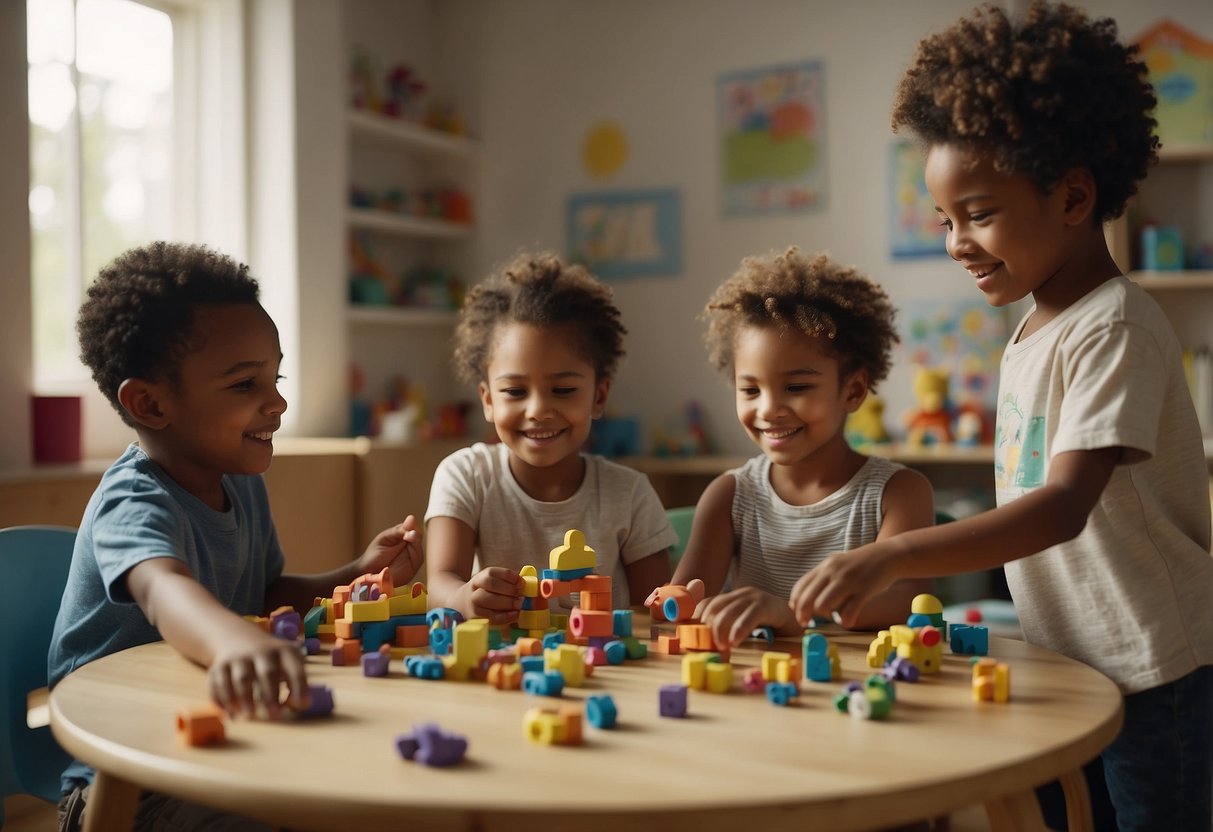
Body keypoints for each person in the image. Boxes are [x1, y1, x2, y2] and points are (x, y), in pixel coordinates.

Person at [789, 4, 1213, 829]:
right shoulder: (1032, 327)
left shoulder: (1112, 324)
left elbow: (1061, 505)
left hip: (1154, 664)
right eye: (944, 220)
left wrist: (892, 555)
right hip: (1075, 658)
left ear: (1073, 196)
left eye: (977, 214)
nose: (955, 242)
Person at [49, 241, 424, 831]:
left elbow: (267, 591)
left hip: (220, 744)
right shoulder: (132, 501)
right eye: (245, 385)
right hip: (124, 783)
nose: (276, 403)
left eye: (274, 378)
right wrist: (230, 643)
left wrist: (353, 574)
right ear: (150, 403)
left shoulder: (239, 480)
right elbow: (165, 591)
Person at [672, 247, 935, 647]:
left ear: (853, 390)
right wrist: (680, 602)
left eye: (796, 387)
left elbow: (909, 602)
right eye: (750, 389)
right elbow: (685, 604)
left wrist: (792, 614)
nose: (769, 409)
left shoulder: (900, 493)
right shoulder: (728, 495)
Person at [425, 251, 676, 622]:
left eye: (562, 390)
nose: (538, 410)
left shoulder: (630, 495)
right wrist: (463, 598)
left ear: (599, 396)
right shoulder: (465, 476)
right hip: (500, 670)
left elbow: (657, 613)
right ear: (488, 400)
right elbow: (439, 583)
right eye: (514, 391)